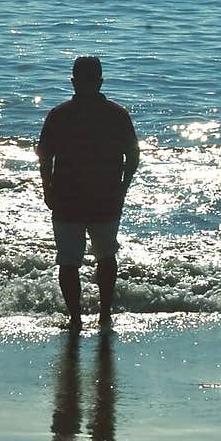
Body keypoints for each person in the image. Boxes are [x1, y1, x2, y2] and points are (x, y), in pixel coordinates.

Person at [37, 57, 139, 330]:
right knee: (105, 256)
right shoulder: (117, 114)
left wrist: (47, 188)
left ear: (73, 82)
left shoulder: (59, 114)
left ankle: (76, 318)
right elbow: (133, 157)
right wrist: (122, 188)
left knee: (70, 260)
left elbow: (44, 157)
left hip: (68, 198)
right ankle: (103, 314)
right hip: (104, 197)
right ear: (101, 82)